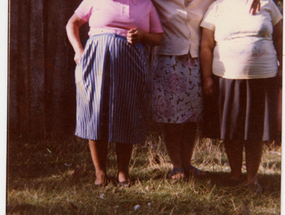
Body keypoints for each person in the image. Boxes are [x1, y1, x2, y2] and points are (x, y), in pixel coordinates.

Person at [151, 0, 261, 180]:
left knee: (192, 116)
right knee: (171, 117)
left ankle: (187, 164)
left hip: (195, 61)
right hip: (169, 60)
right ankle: (176, 165)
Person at [66, 0, 163, 187]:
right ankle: (100, 172)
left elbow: (158, 37)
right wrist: (78, 50)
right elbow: (72, 23)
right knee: (96, 113)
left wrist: (142, 35)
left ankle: (123, 172)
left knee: (126, 113)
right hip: (95, 61)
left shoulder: (145, 4)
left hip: (131, 62)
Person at [200, 0, 282, 190]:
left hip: (262, 77)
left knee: (255, 130)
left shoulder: (267, 3)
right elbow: (206, 45)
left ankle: (252, 177)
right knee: (232, 129)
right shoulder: (217, 6)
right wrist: (206, 78)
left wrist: (282, 67)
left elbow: (279, 38)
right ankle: (235, 174)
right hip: (227, 77)